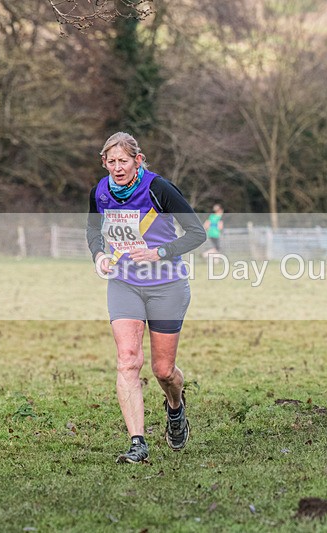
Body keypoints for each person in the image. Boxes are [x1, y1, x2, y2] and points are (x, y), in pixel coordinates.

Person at [86, 132, 207, 463]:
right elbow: (94, 231)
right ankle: (137, 442)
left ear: (137, 160)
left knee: (163, 370)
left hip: (167, 285)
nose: (117, 168)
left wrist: (160, 252)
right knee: (127, 359)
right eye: (111, 162)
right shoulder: (100, 191)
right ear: (104, 163)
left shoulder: (158, 188)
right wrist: (99, 255)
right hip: (124, 283)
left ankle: (175, 407)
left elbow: (197, 233)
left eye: (123, 161)